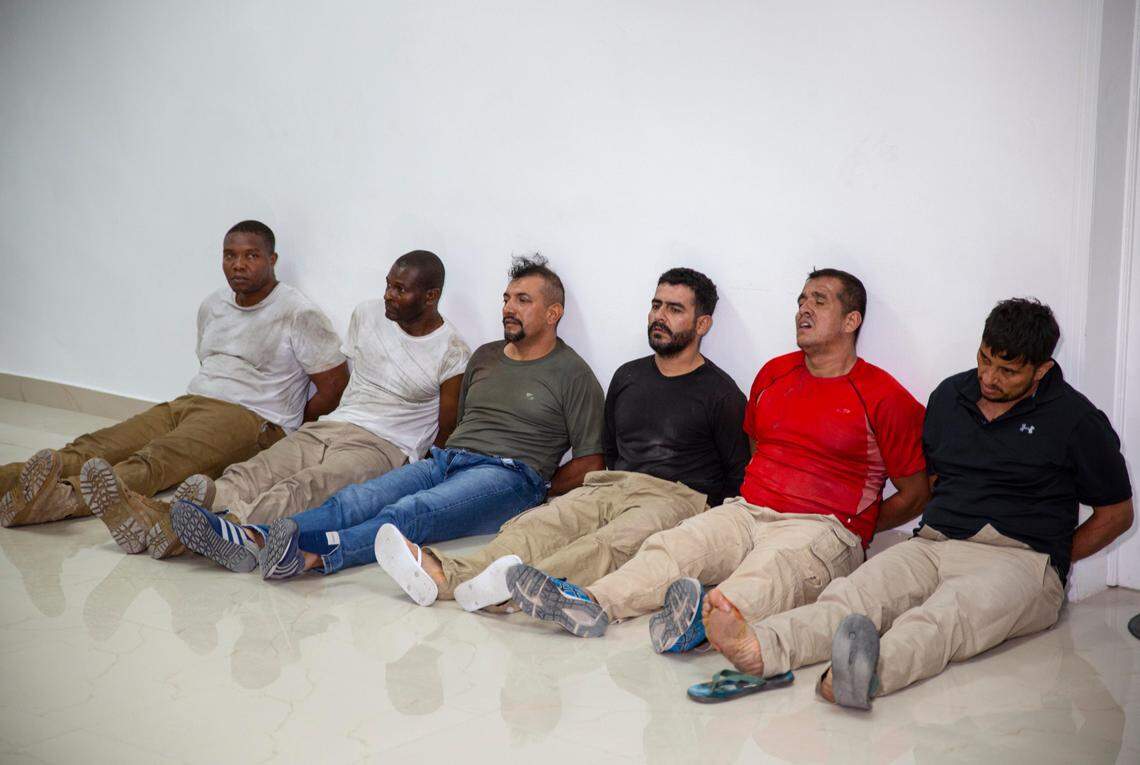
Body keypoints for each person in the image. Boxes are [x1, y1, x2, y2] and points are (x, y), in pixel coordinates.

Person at [704, 298, 1134, 709]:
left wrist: (1052, 558)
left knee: (945, 618)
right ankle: (762, 648)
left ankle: (865, 674)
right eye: (985, 359)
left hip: (1018, 556)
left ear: (1042, 369)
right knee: (853, 595)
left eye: (1008, 371)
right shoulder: (951, 396)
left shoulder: (1076, 420)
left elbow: (1117, 513)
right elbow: (929, 478)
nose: (989, 377)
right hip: (933, 542)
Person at [506, 269, 931, 653]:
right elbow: (753, 443)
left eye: (819, 301)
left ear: (851, 321)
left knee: (772, 572)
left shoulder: (884, 396)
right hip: (747, 511)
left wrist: (854, 527)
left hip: (819, 526)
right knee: (675, 545)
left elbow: (915, 493)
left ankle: (702, 623)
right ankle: (592, 601)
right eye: (801, 300)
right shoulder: (774, 374)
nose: (804, 309)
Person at [375, 267, 750, 610]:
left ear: (702, 324)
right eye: (656, 306)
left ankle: (510, 589)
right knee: (539, 524)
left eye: (674, 309)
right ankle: (445, 575)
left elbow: (736, 476)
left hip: (676, 496)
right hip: (612, 484)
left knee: (606, 543)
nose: (659, 317)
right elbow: (612, 448)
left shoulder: (721, 394)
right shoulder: (628, 377)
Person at [0, 221, 347, 556]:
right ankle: (9, 483)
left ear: (272, 260)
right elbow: (206, 361)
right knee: (93, 446)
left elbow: (334, 385)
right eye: (229, 255)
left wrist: (286, 425)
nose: (238, 264)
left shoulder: (297, 313)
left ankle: (58, 500)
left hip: (249, 417)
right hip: (190, 401)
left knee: (154, 460)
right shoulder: (214, 304)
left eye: (251, 256)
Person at [257, 255, 607, 581]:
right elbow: (460, 422)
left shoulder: (573, 374)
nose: (508, 308)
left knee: (410, 512)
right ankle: (260, 538)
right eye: (506, 298)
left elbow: (590, 461)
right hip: (447, 461)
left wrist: (540, 486)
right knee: (357, 499)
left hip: (507, 475)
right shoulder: (485, 357)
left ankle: (311, 554)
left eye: (523, 300)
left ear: (553, 313)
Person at [150, 251, 470, 571]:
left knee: (305, 486)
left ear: (431, 296)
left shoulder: (451, 350)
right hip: (334, 424)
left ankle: (229, 528)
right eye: (388, 284)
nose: (388, 294)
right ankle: (172, 521)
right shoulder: (367, 315)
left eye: (400, 289)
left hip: (384, 444)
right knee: (258, 469)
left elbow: (446, 429)